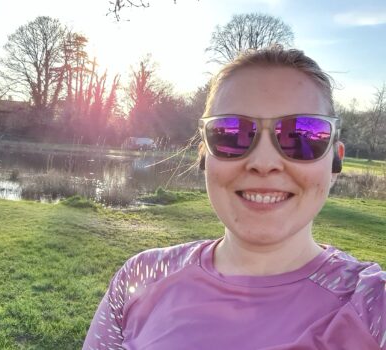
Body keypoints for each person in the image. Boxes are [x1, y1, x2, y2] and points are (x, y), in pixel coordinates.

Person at [83, 47, 385, 350]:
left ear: (335, 162)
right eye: (231, 133)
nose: (264, 162)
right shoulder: (139, 280)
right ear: (204, 157)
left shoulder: (372, 307)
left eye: (302, 136)